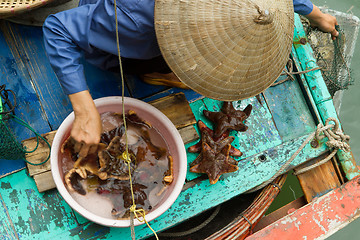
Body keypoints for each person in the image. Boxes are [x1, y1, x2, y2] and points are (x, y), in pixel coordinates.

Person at [43, 0, 339, 157]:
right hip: (122, 26)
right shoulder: (136, 18)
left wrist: (314, 13)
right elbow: (57, 29)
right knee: (115, 55)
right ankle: (154, 71)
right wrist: (85, 111)